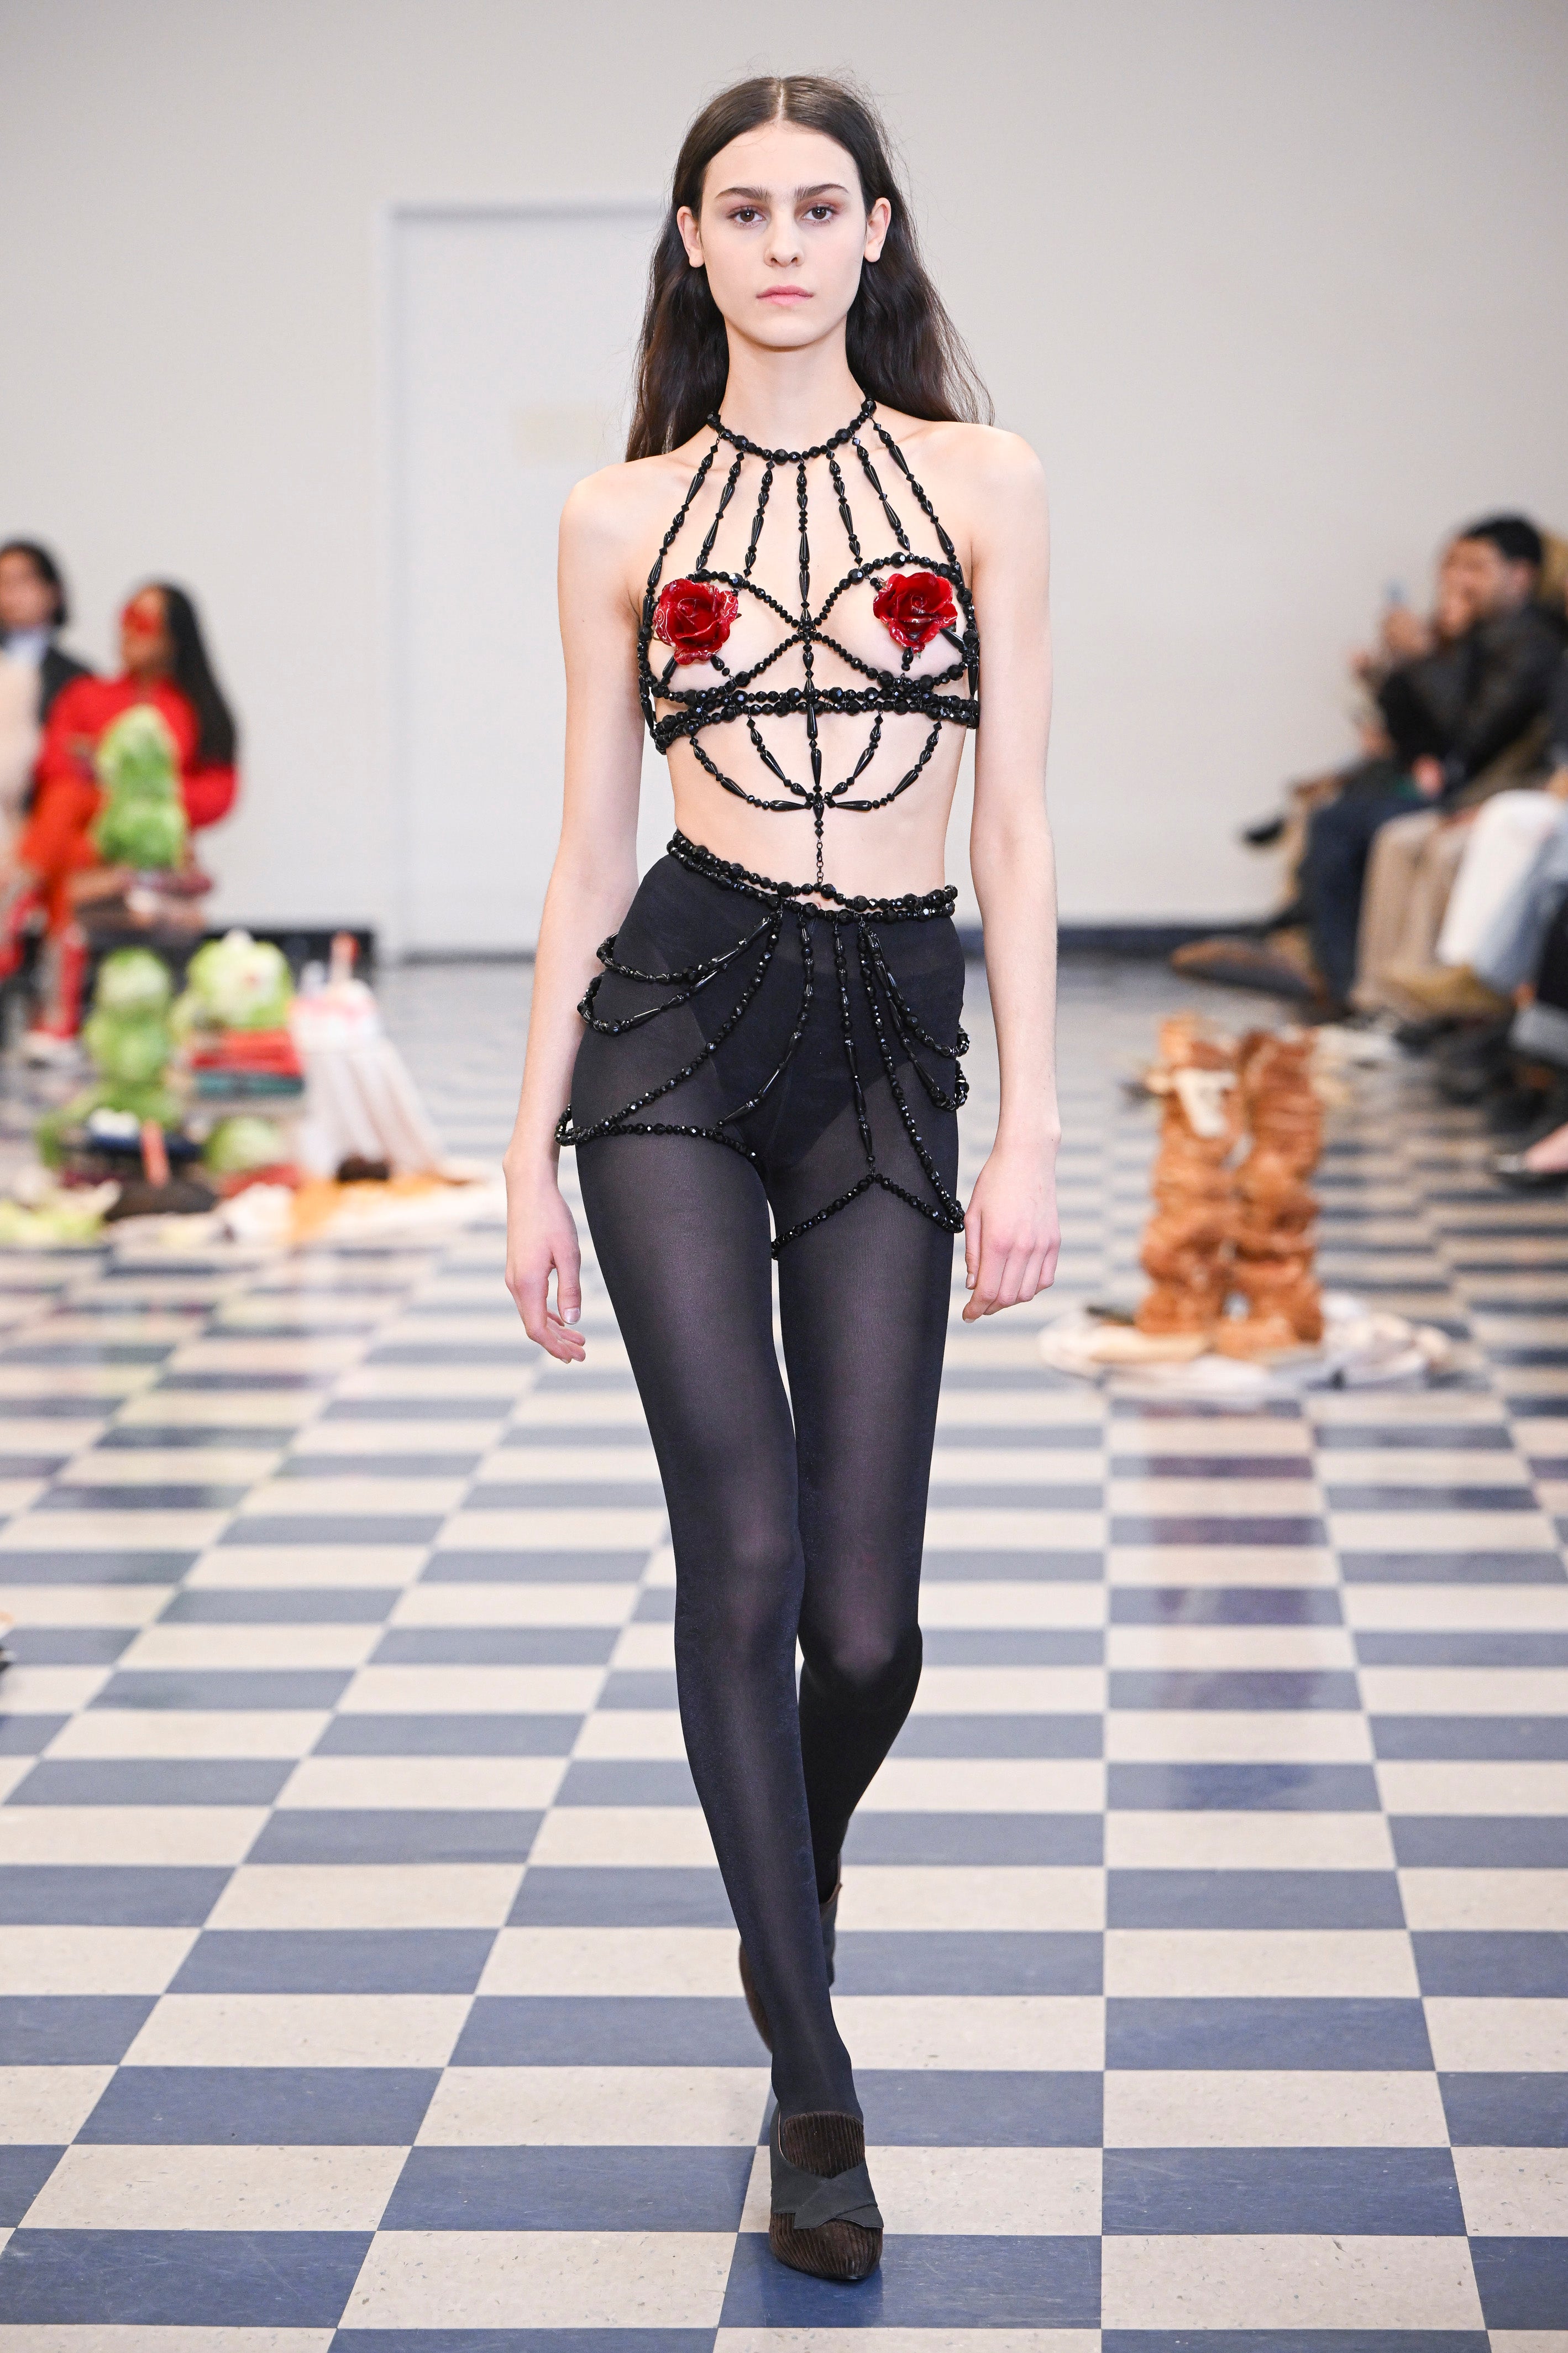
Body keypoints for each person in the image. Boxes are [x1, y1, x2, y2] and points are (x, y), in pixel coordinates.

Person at [501, 75, 1057, 2283]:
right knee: (734, 1548)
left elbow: (1013, 821)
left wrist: (1032, 1121)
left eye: (819, 209)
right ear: (694, 239)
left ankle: (777, 1882)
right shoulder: (616, 514)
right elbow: (583, 849)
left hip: (894, 1037)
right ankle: (810, 2074)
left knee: (866, 1620)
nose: (784, 246)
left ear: (875, 231)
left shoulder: (985, 481)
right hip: (672, 1016)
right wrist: (523, 1159)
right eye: (743, 212)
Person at [1301, 514, 1564, 1010]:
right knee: (1385, 836)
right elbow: (1421, 728)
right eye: (1453, 566)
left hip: (1497, 793)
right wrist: (1395, 670)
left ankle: (1427, 1001)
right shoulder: (1477, 637)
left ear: (1520, 576)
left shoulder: (1533, 644)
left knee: (1403, 839)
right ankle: (1373, 997)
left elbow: (1470, 735)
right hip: (1468, 789)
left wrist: (1423, 656)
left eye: (1475, 567)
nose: (1458, 581)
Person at [2, 582, 238, 1050]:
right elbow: (53, 766)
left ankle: (15, 905)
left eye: (145, 623)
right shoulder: (87, 695)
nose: (130, 632)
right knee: (68, 819)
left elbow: (218, 794)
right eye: (126, 618)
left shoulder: (193, 709)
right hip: (85, 844)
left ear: (174, 635)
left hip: (154, 851)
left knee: (69, 818)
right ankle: (56, 998)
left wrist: (143, 793)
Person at [0, 541, 94, 836]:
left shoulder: (77, 678)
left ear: (53, 592)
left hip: (45, 818)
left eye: (22, 581)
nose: (10, 594)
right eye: (3, 582)